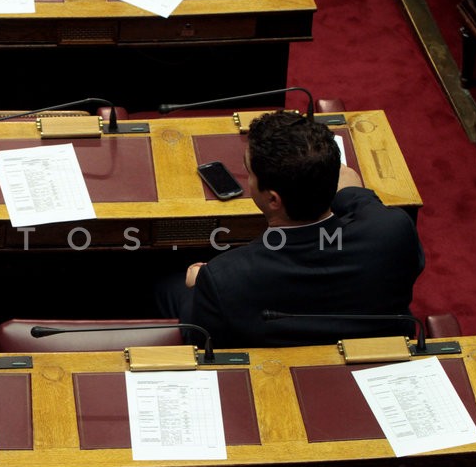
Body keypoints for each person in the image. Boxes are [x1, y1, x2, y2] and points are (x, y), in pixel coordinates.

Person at [154, 110, 425, 348]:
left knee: (169, 287)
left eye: (249, 172)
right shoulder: (394, 231)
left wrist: (200, 281)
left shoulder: (223, 278)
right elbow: (358, 195)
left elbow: (202, 340)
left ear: (273, 199)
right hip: (373, 353)